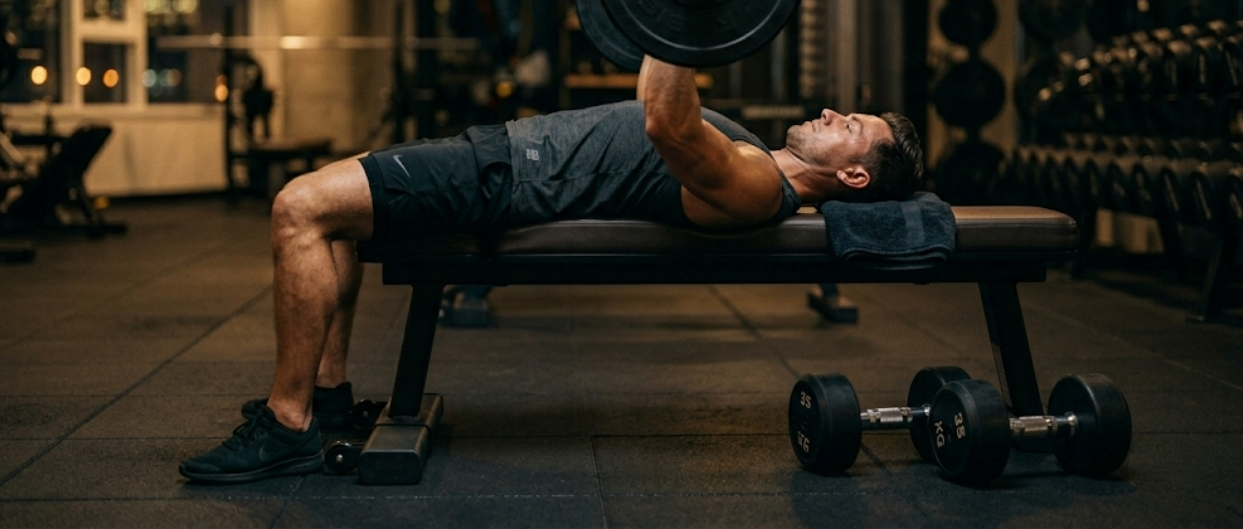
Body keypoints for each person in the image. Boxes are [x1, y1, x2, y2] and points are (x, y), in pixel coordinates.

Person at [178, 56, 925, 484]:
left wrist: (677, 17)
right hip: (500, 158)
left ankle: (285, 424)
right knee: (332, 221)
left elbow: (666, 119)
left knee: (297, 206)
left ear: (855, 178)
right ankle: (328, 403)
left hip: (503, 181)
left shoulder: (762, 186)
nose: (832, 113)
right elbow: (658, 102)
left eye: (849, 126)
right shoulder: (759, 160)